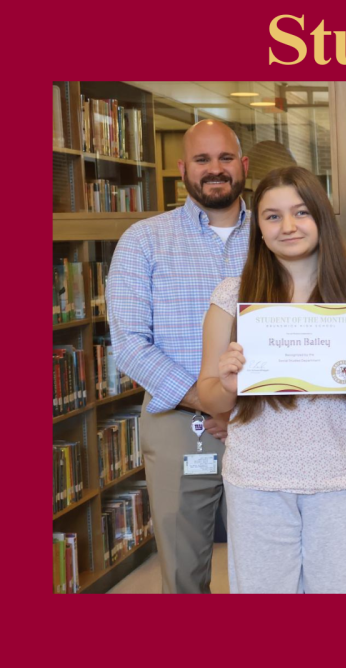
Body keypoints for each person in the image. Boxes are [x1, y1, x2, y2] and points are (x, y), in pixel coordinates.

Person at [197, 166, 346, 593]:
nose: (288, 226)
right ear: (259, 229)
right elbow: (211, 398)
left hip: (344, 473)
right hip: (257, 477)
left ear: (321, 218)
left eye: (301, 212)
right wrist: (229, 382)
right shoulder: (230, 297)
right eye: (272, 216)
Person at [107, 119, 249, 593]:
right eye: (203, 160)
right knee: (185, 575)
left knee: (268, 567)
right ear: (183, 169)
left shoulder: (276, 234)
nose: (216, 170)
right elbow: (129, 342)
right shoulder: (144, 240)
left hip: (268, 421)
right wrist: (206, 399)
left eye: (225, 158)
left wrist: (243, 410)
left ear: (243, 165)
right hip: (180, 424)